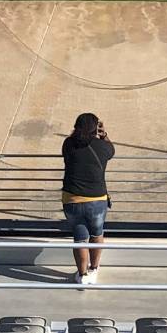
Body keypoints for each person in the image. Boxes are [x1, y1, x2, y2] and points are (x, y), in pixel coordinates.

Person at [61, 112, 114, 284]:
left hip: (72, 199)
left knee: (80, 238)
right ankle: (94, 269)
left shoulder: (68, 144)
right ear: (95, 129)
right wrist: (104, 135)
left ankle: (82, 275)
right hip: (97, 199)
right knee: (97, 234)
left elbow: (70, 150)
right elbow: (111, 150)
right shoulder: (103, 147)